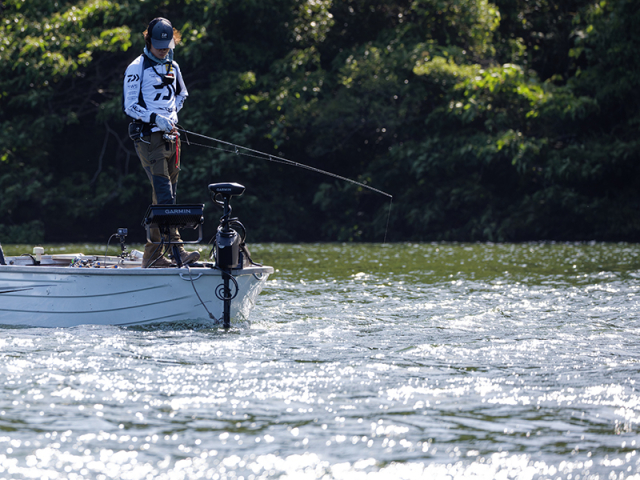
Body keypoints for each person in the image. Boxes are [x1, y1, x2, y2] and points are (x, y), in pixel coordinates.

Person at [123, 17, 199, 268]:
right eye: (159, 46)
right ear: (148, 41)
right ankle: (178, 252)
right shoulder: (137, 67)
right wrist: (156, 118)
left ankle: (153, 256)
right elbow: (130, 106)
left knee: (166, 196)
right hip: (149, 138)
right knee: (165, 195)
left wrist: (173, 114)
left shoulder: (173, 66)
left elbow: (182, 94)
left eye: (167, 45)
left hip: (171, 138)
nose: (163, 50)